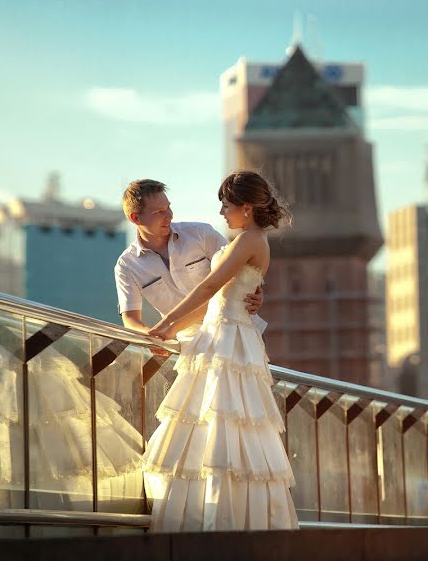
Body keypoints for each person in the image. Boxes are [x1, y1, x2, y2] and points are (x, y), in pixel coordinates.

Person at [142, 170, 298, 532]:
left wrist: (167, 321)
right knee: (214, 426)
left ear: (245, 207)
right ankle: (214, 516)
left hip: (230, 340)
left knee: (227, 425)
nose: (222, 213)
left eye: (226, 206)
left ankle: (224, 522)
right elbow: (222, 297)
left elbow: (211, 286)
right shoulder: (246, 240)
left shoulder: (249, 240)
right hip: (219, 335)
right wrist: (172, 327)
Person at [114, 179, 265, 342]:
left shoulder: (202, 233)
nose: (169, 215)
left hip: (235, 332)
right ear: (135, 218)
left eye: (168, 207)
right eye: (159, 212)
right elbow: (130, 319)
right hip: (187, 344)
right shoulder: (126, 266)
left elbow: (240, 273)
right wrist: (151, 336)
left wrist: (256, 294)